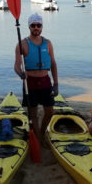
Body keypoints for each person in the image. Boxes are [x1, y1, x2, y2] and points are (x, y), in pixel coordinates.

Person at [14, 13, 58, 142]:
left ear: (42, 27)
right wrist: (20, 73)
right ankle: (37, 138)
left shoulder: (48, 43)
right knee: (33, 114)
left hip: (45, 80)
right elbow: (17, 65)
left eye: (38, 25)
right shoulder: (22, 44)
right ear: (29, 27)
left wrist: (56, 83)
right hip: (30, 82)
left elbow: (53, 64)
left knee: (49, 111)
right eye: (33, 25)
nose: (36, 28)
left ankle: (42, 132)